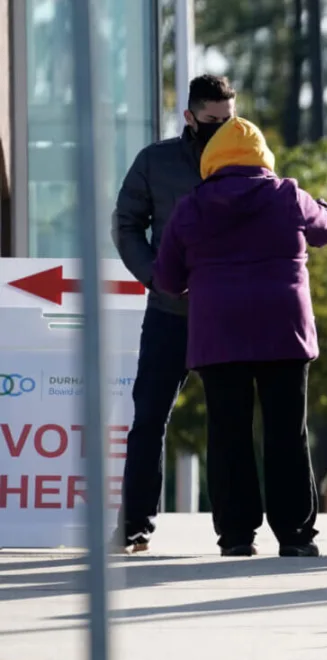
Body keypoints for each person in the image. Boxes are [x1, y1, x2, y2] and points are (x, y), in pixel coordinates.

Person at [152, 117, 327, 557]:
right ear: (263, 159)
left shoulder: (191, 207)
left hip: (219, 334)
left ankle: (236, 536)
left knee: (227, 432)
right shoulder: (288, 195)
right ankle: (295, 535)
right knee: (286, 432)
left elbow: (165, 278)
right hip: (284, 331)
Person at [110, 74, 236, 553]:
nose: (222, 129)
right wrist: (156, 277)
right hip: (169, 312)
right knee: (149, 419)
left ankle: (234, 532)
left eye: (229, 120)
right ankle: (134, 526)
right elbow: (126, 224)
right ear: (189, 116)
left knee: (229, 422)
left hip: (227, 314)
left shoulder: (248, 158)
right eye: (211, 121)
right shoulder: (155, 161)